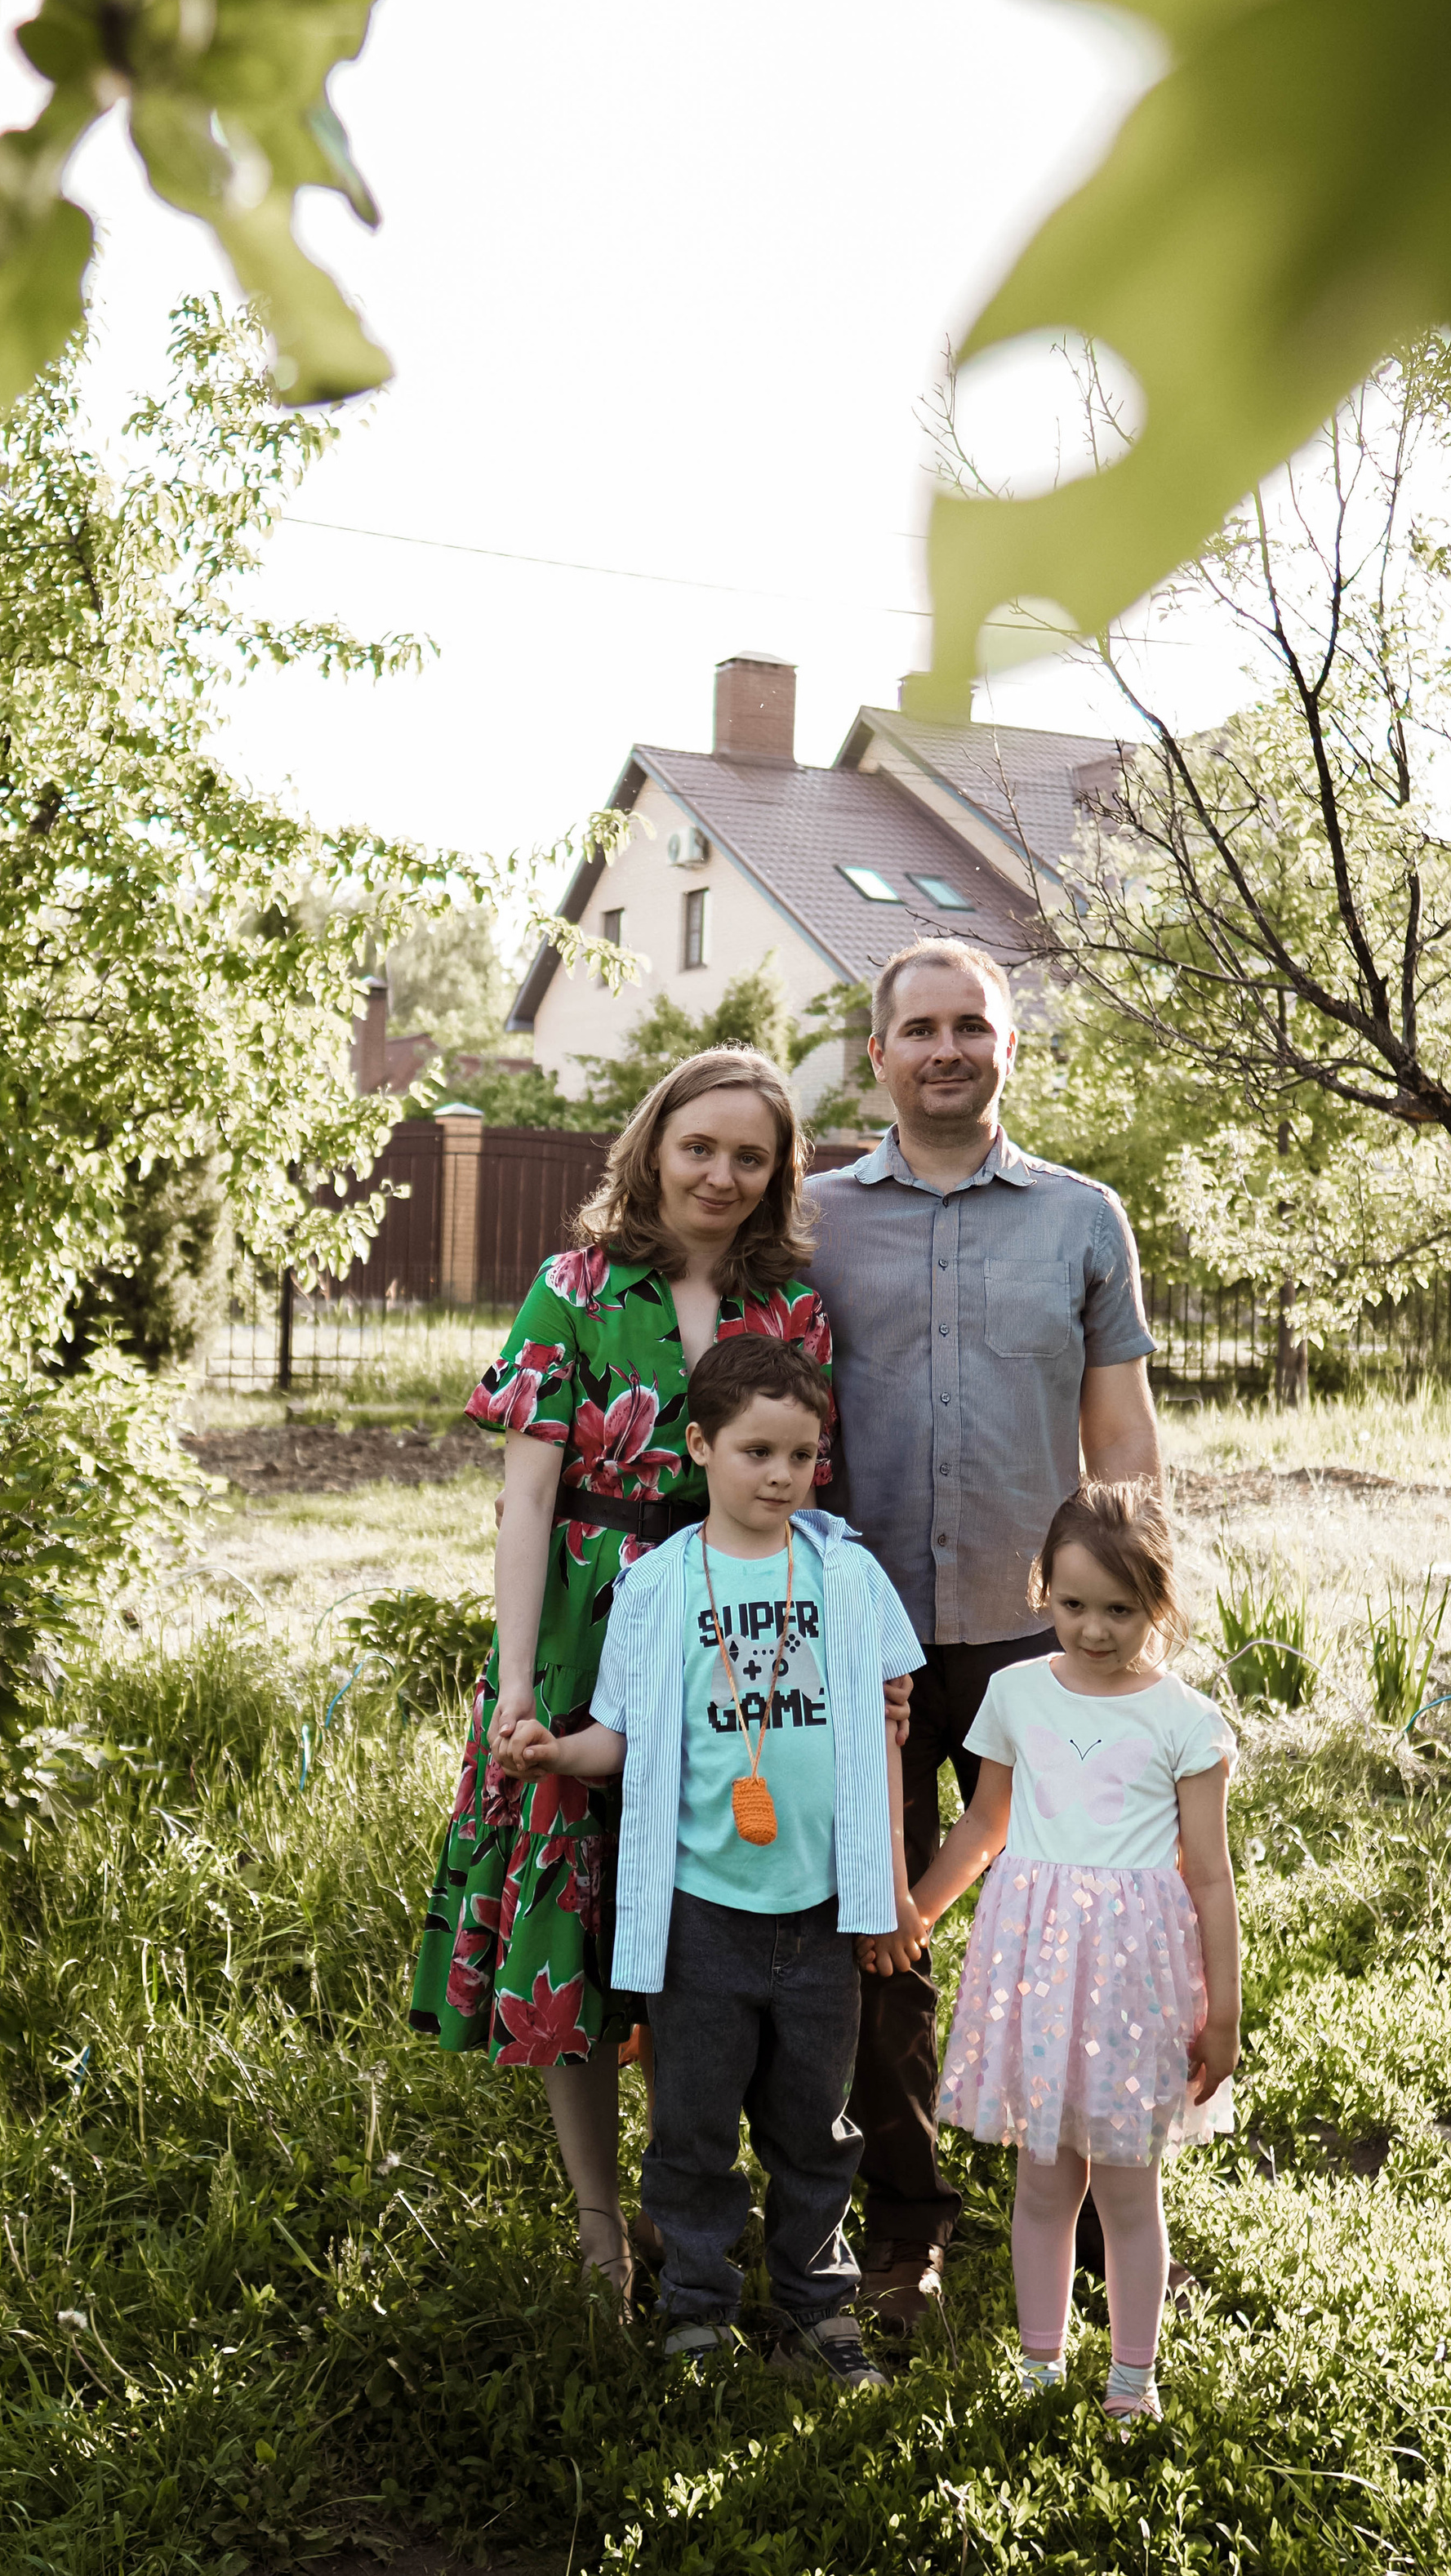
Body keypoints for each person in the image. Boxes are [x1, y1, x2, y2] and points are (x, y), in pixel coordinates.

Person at [408, 1048, 835, 2303]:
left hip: (732, 1630)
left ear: (777, 1174)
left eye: (749, 1155)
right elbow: (526, 1498)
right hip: (585, 1630)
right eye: (699, 1146)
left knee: (698, 1911)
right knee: (575, 1918)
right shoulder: (575, 1287)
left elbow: (809, 1498)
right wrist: (521, 1682)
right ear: (653, 1145)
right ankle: (602, 2229)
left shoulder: (793, 1311)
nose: (720, 1173)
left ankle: (690, 2198)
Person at [808, 936, 1164, 2335]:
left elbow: (1121, 1424)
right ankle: (910, 2226)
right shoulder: (816, 1218)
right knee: (875, 1937)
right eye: (921, 1028)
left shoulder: (1083, 1218)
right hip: (863, 1637)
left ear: (1009, 1044)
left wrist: (1131, 1621)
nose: (948, 1048)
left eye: (974, 1025)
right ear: (878, 1050)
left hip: (1043, 1639)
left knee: (1071, 1919)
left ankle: (1080, 2212)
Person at [509, 1332, 925, 2385]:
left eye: (800, 1454)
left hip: (821, 1907)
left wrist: (882, 1896)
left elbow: (884, 1740)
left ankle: (816, 2306)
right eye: (756, 1451)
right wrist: (557, 1749)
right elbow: (622, 1740)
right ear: (698, 1446)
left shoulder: (847, 1576)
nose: (781, 1474)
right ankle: (697, 2306)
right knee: (690, 2127)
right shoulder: (654, 1588)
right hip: (699, 1909)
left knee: (813, 2127)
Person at [864, 1478, 1239, 2423]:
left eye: (1120, 1608)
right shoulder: (1016, 1694)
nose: (1095, 1628)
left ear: (1158, 1603)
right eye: (1072, 1604)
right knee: (1041, 2179)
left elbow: (1209, 1877)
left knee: (1123, 2185)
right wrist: (917, 1911)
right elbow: (984, 1823)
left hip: (1132, 1986)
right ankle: (1039, 2364)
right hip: (1036, 1972)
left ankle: (1131, 2379)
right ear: (1043, 1590)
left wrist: (1222, 2009)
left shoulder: (1184, 1721)